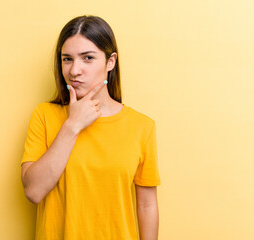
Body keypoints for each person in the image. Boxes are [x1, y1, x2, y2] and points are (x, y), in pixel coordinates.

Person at [20, 15, 161, 240]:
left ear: (110, 62)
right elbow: (33, 191)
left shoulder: (142, 127)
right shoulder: (45, 115)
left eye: (87, 58)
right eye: (67, 59)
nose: (74, 70)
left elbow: (146, 206)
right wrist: (72, 125)